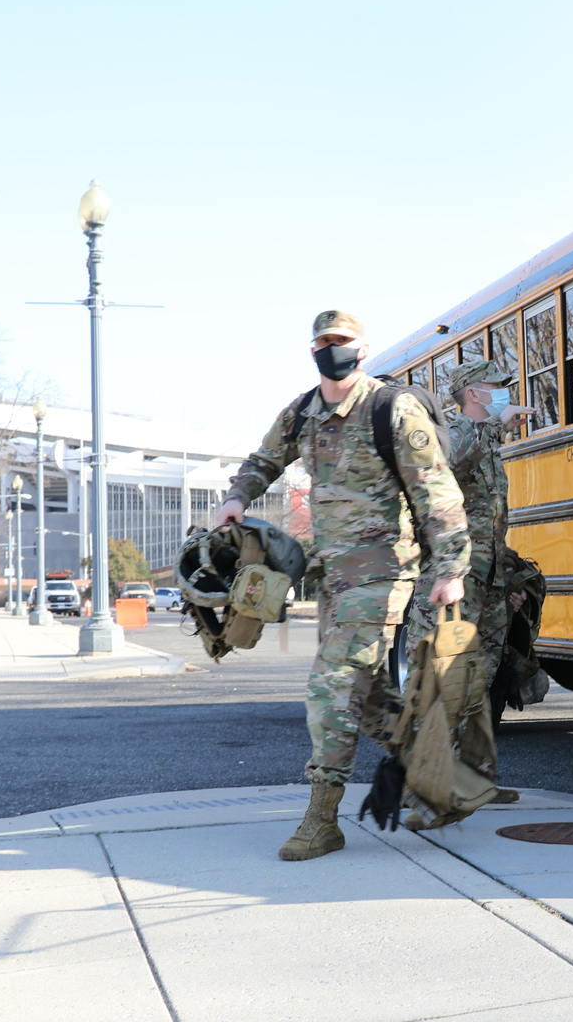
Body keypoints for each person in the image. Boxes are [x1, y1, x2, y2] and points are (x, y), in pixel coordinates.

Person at [218, 310, 470, 862]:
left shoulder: (393, 409)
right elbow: (264, 460)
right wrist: (237, 497)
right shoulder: (303, 411)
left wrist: (450, 568)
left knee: (331, 686)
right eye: (324, 341)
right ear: (313, 349)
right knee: (371, 696)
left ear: (364, 348)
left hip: (383, 576)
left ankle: (322, 819)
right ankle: (442, 785)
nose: (334, 349)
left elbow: (437, 491)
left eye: (344, 341)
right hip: (334, 577)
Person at [416, 360, 536, 811]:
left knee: (480, 683)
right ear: (473, 392)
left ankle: (474, 781)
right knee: (444, 682)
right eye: (496, 387)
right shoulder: (449, 433)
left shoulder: (489, 443)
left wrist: (507, 579)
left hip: (486, 584)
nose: (505, 392)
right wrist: (491, 429)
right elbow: (443, 468)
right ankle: (427, 787)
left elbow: (489, 525)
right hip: (449, 583)